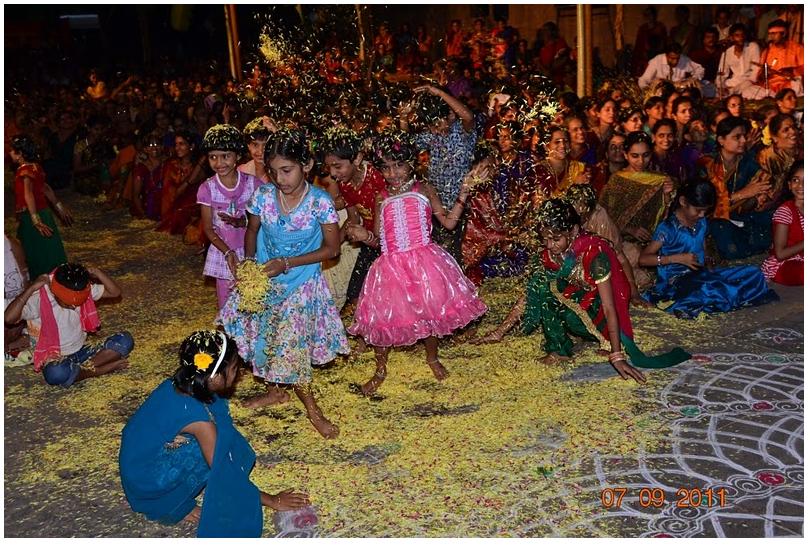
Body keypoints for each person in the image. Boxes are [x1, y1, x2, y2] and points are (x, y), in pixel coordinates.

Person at [218, 128, 348, 439]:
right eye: (274, 171)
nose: (280, 179)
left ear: (307, 165)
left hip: (300, 284)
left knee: (292, 349)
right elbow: (252, 231)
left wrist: (287, 263)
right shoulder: (264, 196)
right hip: (265, 281)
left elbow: (332, 249)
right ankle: (276, 391)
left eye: (287, 170)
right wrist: (249, 265)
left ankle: (313, 411)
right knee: (262, 335)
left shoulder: (319, 202)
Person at [119, 331, 310, 537]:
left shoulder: (179, 384)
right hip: (146, 480)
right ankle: (171, 503)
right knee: (213, 454)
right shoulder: (199, 421)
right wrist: (272, 500)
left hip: (135, 461)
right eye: (234, 369)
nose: (239, 374)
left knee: (221, 438)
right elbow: (224, 471)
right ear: (214, 376)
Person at [474, 199, 688, 376]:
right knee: (543, 286)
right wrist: (499, 332)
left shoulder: (594, 252)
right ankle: (560, 348)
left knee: (553, 290)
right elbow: (530, 292)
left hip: (602, 317)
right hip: (581, 305)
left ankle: (582, 344)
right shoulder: (550, 253)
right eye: (545, 238)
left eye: (556, 238)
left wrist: (616, 355)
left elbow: (609, 306)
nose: (549, 245)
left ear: (574, 230)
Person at [346, 131, 487, 396]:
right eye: (386, 167)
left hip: (424, 262)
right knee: (382, 318)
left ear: (411, 163)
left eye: (398, 165)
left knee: (429, 312)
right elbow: (379, 241)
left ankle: (432, 357)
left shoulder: (424, 189)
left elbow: (449, 223)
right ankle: (380, 369)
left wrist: (464, 193)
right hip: (390, 266)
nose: (393, 173)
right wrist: (365, 236)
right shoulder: (381, 196)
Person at [640, 179, 778, 318]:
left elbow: (702, 243)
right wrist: (676, 259)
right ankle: (699, 301)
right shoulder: (668, 228)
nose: (702, 215)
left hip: (702, 275)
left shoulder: (701, 221)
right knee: (710, 289)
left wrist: (707, 259)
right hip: (677, 281)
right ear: (683, 202)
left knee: (754, 272)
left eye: (705, 211)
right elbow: (643, 259)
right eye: (698, 210)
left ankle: (720, 296)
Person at [4, 263, 134, 386]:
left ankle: (81, 371)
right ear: (55, 292)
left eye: (77, 303)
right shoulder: (40, 298)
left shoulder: (80, 288)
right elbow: (9, 318)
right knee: (55, 373)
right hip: (54, 356)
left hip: (81, 349)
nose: (73, 306)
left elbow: (115, 292)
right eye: (67, 303)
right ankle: (98, 370)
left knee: (124, 340)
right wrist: (31, 288)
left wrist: (98, 273)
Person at [406, 85, 477, 263]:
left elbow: (468, 116)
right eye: (431, 127)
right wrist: (403, 118)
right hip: (437, 206)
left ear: (451, 115)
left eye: (438, 124)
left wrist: (439, 92)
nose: (435, 130)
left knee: (459, 256)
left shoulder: (462, 132)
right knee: (437, 257)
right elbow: (406, 145)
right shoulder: (432, 136)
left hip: (461, 205)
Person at [319, 127, 387, 311]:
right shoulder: (345, 184)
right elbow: (352, 218)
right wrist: (331, 246)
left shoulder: (379, 178)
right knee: (355, 295)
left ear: (357, 159)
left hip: (391, 244)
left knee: (385, 296)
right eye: (329, 167)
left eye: (337, 166)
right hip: (369, 242)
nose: (333, 173)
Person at [197, 124, 262, 310]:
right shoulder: (207, 189)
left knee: (254, 301)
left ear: (238, 156)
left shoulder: (253, 184)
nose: (219, 162)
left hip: (252, 251)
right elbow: (208, 228)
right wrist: (227, 252)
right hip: (224, 253)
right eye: (213, 157)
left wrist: (244, 221)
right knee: (227, 304)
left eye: (225, 156)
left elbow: (264, 219)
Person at [700, 116, 771, 260]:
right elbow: (704, 204)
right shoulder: (708, 164)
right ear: (721, 140)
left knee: (772, 217)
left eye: (744, 136)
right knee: (725, 236)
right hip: (713, 218)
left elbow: (764, 181)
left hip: (740, 215)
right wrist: (742, 194)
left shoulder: (745, 161)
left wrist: (760, 195)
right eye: (737, 137)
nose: (744, 140)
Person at [9, 135, 69, 279]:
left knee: (36, 249)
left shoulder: (24, 171)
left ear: (20, 154)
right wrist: (59, 206)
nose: (9, 153)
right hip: (44, 214)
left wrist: (35, 220)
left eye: (12, 150)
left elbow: (28, 193)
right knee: (48, 247)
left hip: (32, 215)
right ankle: (55, 277)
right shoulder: (36, 167)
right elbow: (46, 188)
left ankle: (42, 279)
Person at [600, 131, 674, 245]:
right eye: (635, 156)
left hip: (652, 243)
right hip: (619, 242)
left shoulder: (659, 180)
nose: (641, 161)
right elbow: (603, 215)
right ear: (625, 155)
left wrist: (666, 195)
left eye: (646, 155)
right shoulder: (617, 179)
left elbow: (667, 217)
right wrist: (628, 229)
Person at [762, 160, 803, 285]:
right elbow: (780, 254)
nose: (801, 185)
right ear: (789, 185)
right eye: (796, 180)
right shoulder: (785, 211)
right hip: (786, 263)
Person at [754, 19, 804, 97]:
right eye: (770, 34)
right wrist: (763, 74)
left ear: (784, 34)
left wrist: (792, 71)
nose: (771, 37)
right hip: (770, 86)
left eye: (774, 34)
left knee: (796, 84)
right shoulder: (766, 51)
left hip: (789, 84)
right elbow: (759, 76)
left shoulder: (796, 48)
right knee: (749, 90)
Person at [715, 23, 761, 99]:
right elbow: (722, 73)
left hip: (749, 81)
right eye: (737, 35)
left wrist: (751, 81)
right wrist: (720, 86)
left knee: (747, 87)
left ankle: (731, 93)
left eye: (742, 35)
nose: (741, 38)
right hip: (734, 82)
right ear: (731, 37)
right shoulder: (727, 52)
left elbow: (756, 69)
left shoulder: (753, 46)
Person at [638, 43, 706, 92]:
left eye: (677, 58)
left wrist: (693, 79)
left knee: (698, 84)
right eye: (672, 58)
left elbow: (700, 69)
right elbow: (643, 80)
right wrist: (648, 91)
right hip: (661, 91)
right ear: (666, 55)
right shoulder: (657, 60)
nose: (675, 61)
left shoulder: (683, 59)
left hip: (678, 91)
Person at [131, 134, 166, 220]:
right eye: (150, 145)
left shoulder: (168, 163)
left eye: (157, 144)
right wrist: (143, 214)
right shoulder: (141, 168)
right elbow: (136, 195)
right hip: (149, 205)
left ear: (162, 147)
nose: (154, 148)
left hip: (166, 202)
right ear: (145, 149)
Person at [237, 117, 272, 183]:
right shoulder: (241, 172)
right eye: (255, 145)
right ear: (248, 145)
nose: (260, 151)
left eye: (265, 145)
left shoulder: (279, 173)